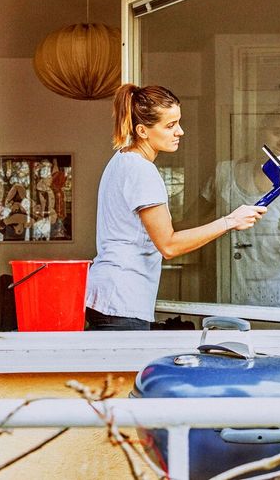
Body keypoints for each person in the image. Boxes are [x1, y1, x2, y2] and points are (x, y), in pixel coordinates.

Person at [85, 84, 267, 331]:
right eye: (170, 126)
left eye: (178, 123)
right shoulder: (141, 170)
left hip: (108, 296)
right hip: (121, 301)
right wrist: (230, 221)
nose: (180, 132)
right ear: (142, 131)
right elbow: (169, 245)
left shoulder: (121, 160)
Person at [202, 112, 280, 308]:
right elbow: (196, 221)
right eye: (277, 132)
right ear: (260, 131)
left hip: (276, 287)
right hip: (232, 284)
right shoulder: (224, 173)